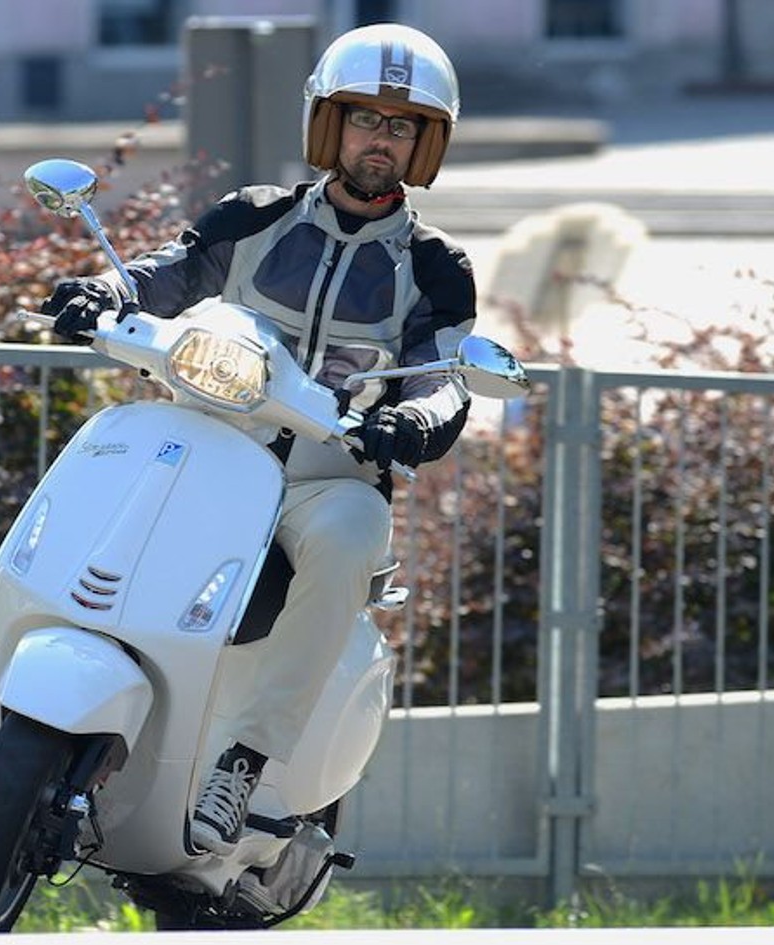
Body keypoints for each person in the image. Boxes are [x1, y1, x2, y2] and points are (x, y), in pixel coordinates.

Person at [38, 22, 476, 856]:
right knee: (111, 462)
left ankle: (244, 759)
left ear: (426, 145)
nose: (379, 139)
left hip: (322, 477)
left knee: (356, 528)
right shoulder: (255, 216)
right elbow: (164, 273)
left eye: (402, 126)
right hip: (210, 445)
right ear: (328, 125)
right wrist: (103, 292)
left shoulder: (436, 266)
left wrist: (416, 418)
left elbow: (441, 371)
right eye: (363, 118)